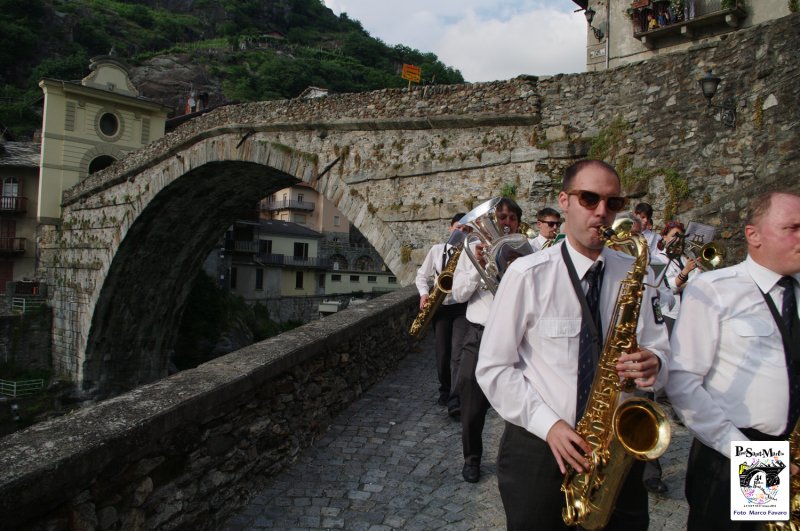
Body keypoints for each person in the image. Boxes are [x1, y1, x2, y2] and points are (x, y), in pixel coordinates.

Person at [476, 160, 670, 530]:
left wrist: (656, 362)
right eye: (590, 199)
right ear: (564, 201)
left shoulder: (634, 272)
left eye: (613, 203)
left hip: (620, 449)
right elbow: (493, 367)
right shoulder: (528, 274)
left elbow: (670, 357)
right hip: (543, 448)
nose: (603, 213)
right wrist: (548, 424)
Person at [666, 191, 800, 531]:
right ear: (753, 235)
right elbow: (683, 382)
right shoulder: (714, 289)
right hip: (744, 450)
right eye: (792, 228)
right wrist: (748, 454)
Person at [450, 197, 526, 483]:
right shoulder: (470, 250)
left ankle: (516, 460)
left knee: (518, 402)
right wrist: (478, 266)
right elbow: (457, 294)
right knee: (471, 402)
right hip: (478, 333)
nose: (505, 223)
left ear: (519, 223)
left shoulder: (526, 251)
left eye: (510, 218)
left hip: (515, 337)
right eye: (500, 217)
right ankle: (472, 459)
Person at [415, 213, 469, 416]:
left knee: (457, 354)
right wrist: (424, 294)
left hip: (461, 305)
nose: (461, 232)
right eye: (458, 228)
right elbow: (421, 276)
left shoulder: (469, 253)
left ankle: (455, 398)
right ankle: (445, 389)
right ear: (450, 228)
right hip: (440, 306)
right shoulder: (437, 250)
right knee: (442, 354)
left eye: (465, 230)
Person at [657, 220, 699, 335]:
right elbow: (669, 287)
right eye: (674, 236)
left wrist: (699, 270)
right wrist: (686, 271)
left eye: (680, 236)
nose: (678, 239)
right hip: (670, 313)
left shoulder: (684, 258)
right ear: (664, 237)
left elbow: (696, 281)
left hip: (689, 311)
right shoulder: (659, 259)